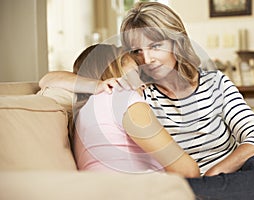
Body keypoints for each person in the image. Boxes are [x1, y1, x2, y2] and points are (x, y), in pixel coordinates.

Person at [39, 2, 254, 199]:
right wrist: (95, 84)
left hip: (232, 173)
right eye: (136, 51)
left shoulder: (215, 82)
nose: (147, 59)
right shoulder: (137, 93)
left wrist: (216, 172)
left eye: (155, 46)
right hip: (193, 185)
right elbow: (50, 79)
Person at [68, 43, 200, 177]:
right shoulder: (123, 98)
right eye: (136, 73)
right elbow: (188, 170)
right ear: (114, 70)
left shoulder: (84, 112)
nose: (143, 84)